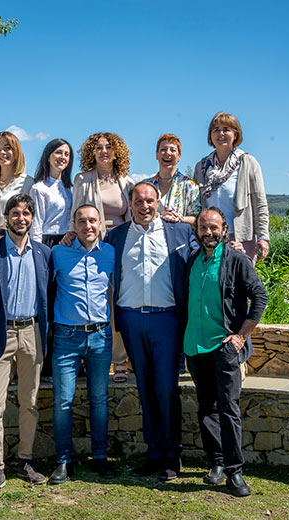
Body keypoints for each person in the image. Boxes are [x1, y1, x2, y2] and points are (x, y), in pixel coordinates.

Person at [104, 181, 197, 481]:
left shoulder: (180, 233)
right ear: (129, 204)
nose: (145, 206)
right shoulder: (115, 237)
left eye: (150, 201)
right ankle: (154, 453)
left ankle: (172, 455)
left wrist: (230, 245)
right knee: (144, 388)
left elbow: (208, 254)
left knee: (167, 389)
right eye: (138, 201)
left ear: (159, 202)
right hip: (131, 321)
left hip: (166, 320)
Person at [0, 193, 51, 497]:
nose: (21, 218)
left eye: (26, 213)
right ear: (6, 217)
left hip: (32, 334)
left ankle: (26, 461)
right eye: (15, 213)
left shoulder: (43, 254)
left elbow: (49, 298)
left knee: (29, 402)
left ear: (32, 217)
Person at [183, 207, 267, 497]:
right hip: (195, 347)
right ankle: (215, 463)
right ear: (197, 231)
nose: (208, 232)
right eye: (203, 228)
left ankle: (235, 472)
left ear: (224, 230)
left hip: (224, 348)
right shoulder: (192, 261)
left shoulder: (236, 260)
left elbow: (260, 296)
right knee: (206, 407)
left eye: (214, 228)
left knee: (229, 410)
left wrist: (241, 336)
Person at [48, 204, 116, 484]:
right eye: (81, 221)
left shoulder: (111, 254)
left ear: (101, 224)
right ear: (73, 225)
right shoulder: (57, 253)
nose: (87, 225)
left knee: (99, 400)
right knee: (63, 401)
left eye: (92, 220)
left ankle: (100, 456)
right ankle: (64, 460)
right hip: (66, 337)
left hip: (101, 336)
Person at [64, 132, 134, 383]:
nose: (104, 151)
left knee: (117, 303)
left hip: (121, 248)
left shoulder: (126, 181)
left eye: (109, 147)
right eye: (99, 147)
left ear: (117, 152)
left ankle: (120, 361)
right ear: (91, 152)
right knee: (92, 301)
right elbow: (75, 213)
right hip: (92, 246)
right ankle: (88, 357)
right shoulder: (82, 179)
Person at [194, 112, 270, 262]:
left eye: (226, 129)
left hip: (241, 237)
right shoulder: (202, 167)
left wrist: (263, 237)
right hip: (210, 237)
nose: (221, 134)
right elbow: (195, 206)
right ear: (210, 136)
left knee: (239, 282)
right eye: (216, 130)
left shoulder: (247, 162)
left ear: (236, 134)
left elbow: (260, 202)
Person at [0, 131, 35, 243]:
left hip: (16, 242)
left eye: (7, 148)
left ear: (16, 151)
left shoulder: (28, 183)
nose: (2, 152)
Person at [142, 133, 200, 226]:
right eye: (163, 150)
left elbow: (197, 219)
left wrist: (180, 218)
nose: (168, 153)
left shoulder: (190, 186)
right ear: (157, 155)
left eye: (172, 150)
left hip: (179, 238)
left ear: (179, 156)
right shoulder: (145, 186)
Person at [29, 139, 74, 247]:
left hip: (69, 241)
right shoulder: (39, 189)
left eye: (66, 154)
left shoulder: (71, 189)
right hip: (48, 242)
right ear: (48, 157)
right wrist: (36, 250)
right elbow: (36, 225)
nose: (63, 157)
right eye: (58, 152)